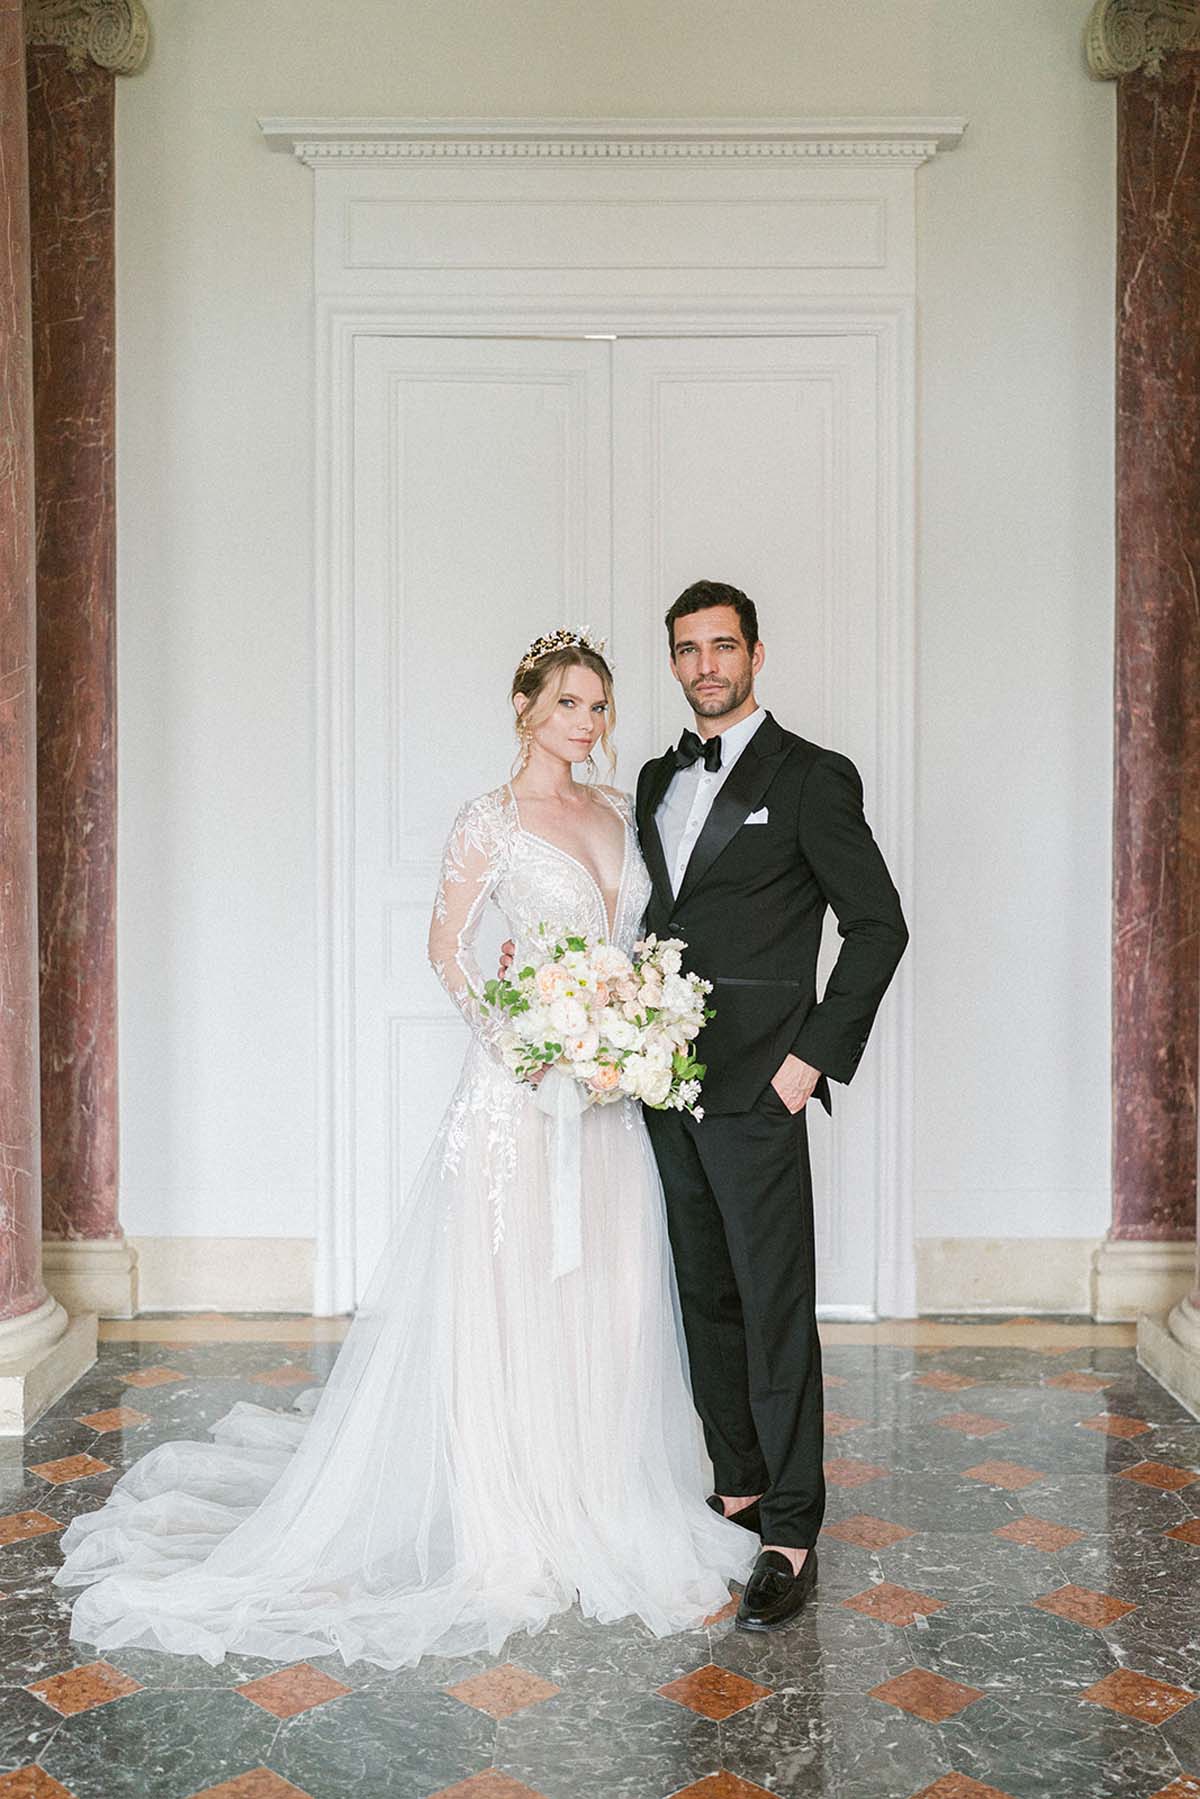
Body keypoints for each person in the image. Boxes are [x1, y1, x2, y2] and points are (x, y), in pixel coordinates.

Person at [51, 629, 753, 1670]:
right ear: (526, 707)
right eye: (571, 703)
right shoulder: (490, 822)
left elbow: (639, 944)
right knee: (516, 1294)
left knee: (612, 1293)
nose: (590, 724)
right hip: (521, 1104)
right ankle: (518, 1511)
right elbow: (447, 950)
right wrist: (526, 1040)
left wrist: (633, 1026)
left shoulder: (617, 811)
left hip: (608, 1104)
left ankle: (606, 1488)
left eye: (601, 706)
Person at [635, 580, 908, 1631]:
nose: (706, 663)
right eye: (688, 649)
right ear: (673, 662)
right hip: (662, 1077)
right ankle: (738, 1484)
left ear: (756, 653)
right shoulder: (657, 775)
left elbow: (877, 924)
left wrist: (810, 1060)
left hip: (761, 1081)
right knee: (705, 1293)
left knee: (774, 1302)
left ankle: (791, 1526)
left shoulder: (809, 777)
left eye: (722, 645)